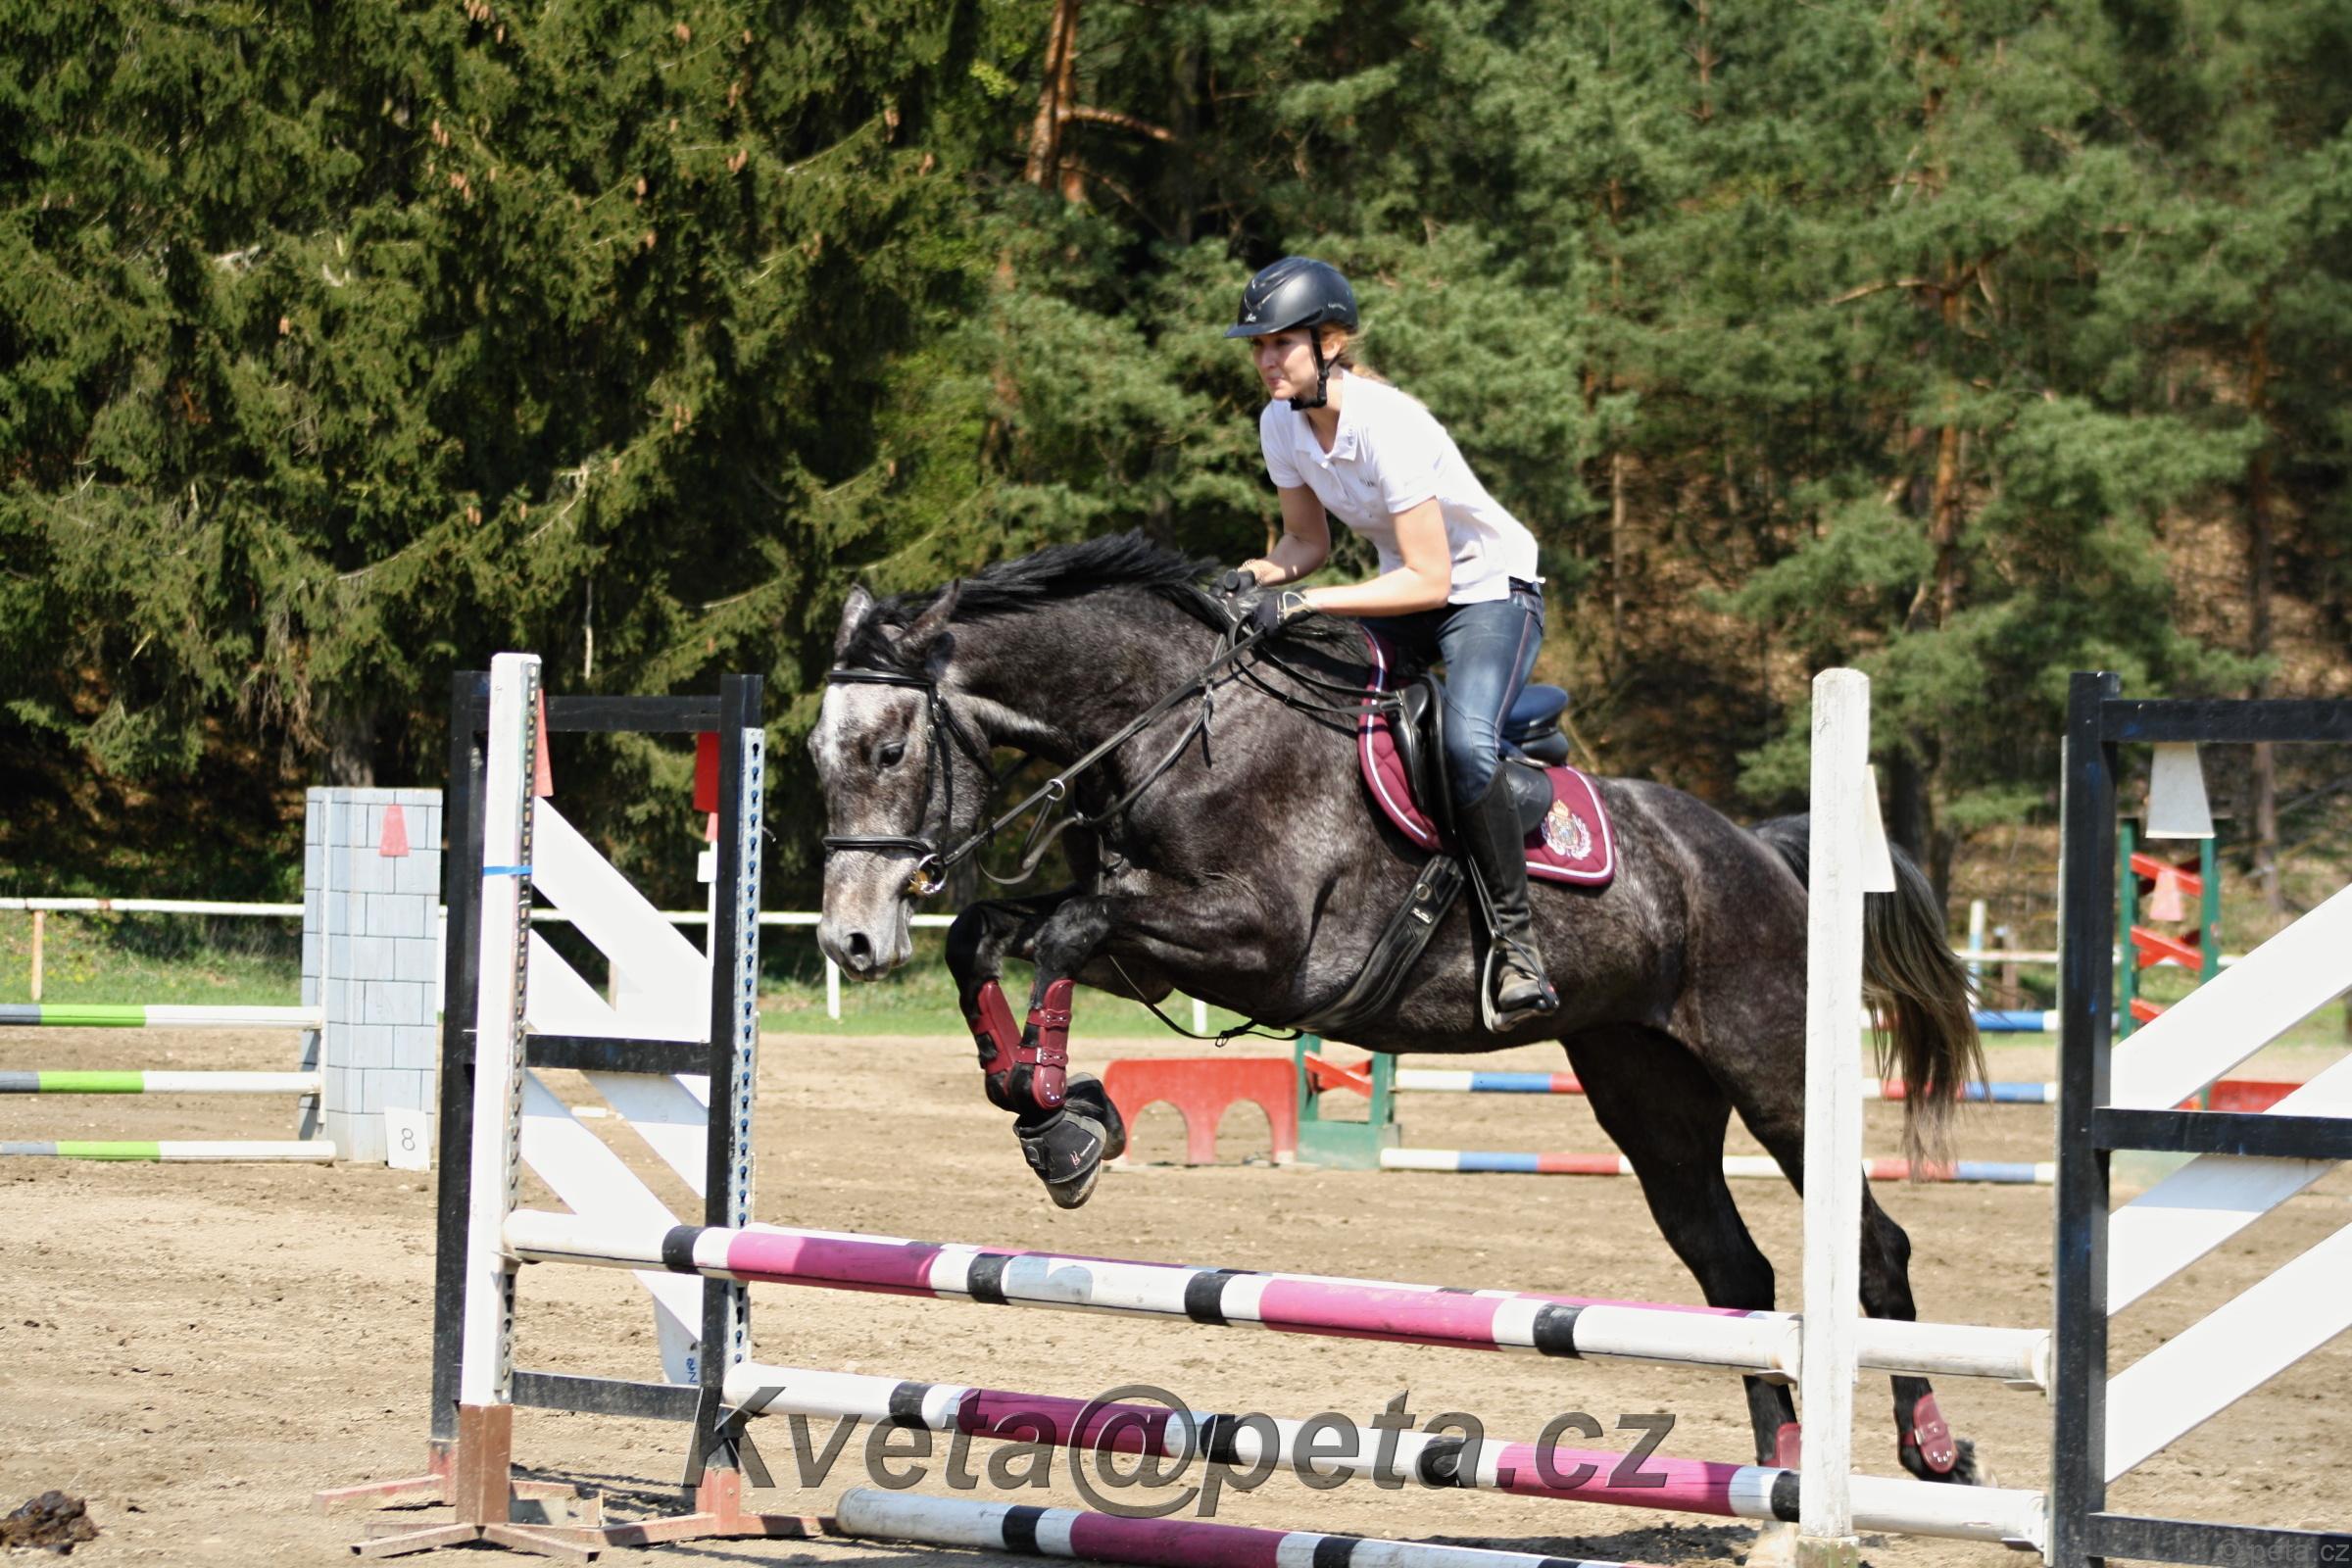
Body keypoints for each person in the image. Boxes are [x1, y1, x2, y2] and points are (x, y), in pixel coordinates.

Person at [1221, 256, 1558, 1029]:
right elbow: (1305, 543)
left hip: (1489, 594)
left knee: (1466, 748)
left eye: (1281, 343)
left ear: (1330, 342)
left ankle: (1517, 948)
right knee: (1307, 699)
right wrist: (1252, 576)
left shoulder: (1389, 425)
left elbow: (1433, 581)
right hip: (1404, 594)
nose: (1267, 359)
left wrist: (1302, 601)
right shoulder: (1280, 423)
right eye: (1259, 346)